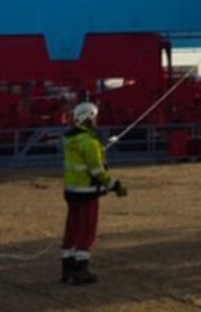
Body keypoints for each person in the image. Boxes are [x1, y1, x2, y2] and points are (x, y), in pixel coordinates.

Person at [61, 101, 126, 286]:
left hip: (71, 190)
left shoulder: (70, 139)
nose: (97, 121)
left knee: (72, 230)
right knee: (86, 231)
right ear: (88, 118)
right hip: (87, 192)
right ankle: (81, 271)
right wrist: (115, 186)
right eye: (95, 117)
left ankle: (67, 268)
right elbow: (97, 171)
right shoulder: (89, 142)